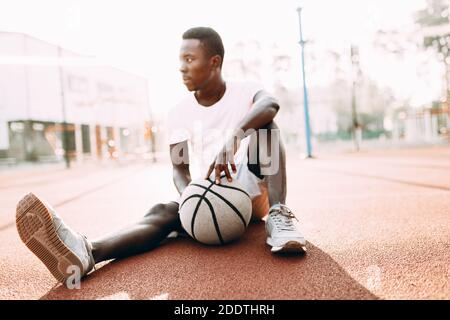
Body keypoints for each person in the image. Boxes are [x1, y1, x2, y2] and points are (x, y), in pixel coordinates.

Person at [15, 27, 306, 286]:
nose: (182, 68)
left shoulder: (246, 91)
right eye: (180, 60)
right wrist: (191, 195)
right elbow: (180, 169)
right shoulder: (179, 112)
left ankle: (280, 215)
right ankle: (87, 252)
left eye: (190, 59)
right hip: (218, 197)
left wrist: (233, 140)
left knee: (267, 128)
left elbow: (270, 104)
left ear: (214, 62)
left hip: (254, 190)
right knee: (164, 211)